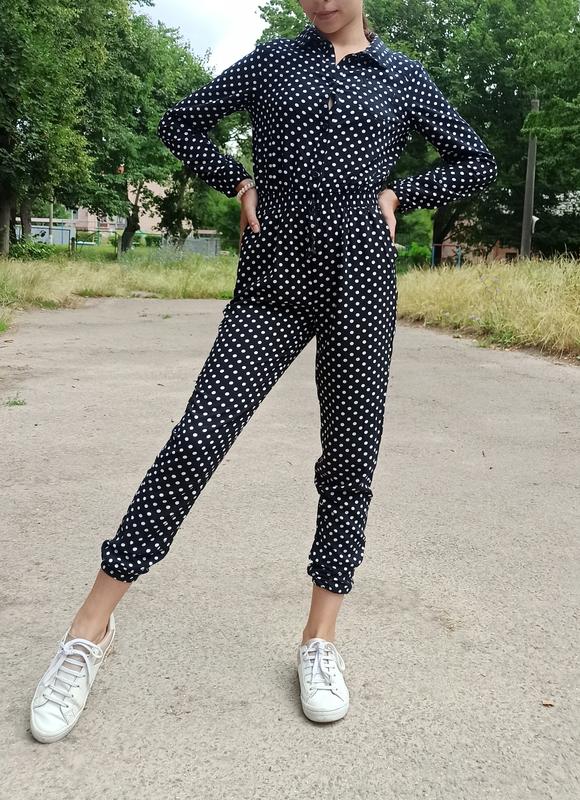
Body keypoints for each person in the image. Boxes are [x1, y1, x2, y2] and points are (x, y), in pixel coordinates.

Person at [29, 0, 498, 742]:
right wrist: (238, 179)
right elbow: (180, 122)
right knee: (196, 440)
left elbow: (477, 161)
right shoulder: (276, 60)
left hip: (360, 287)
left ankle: (319, 639)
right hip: (271, 283)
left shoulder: (403, 78)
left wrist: (400, 193)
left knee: (349, 462)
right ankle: (90, 629)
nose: (319, 1)